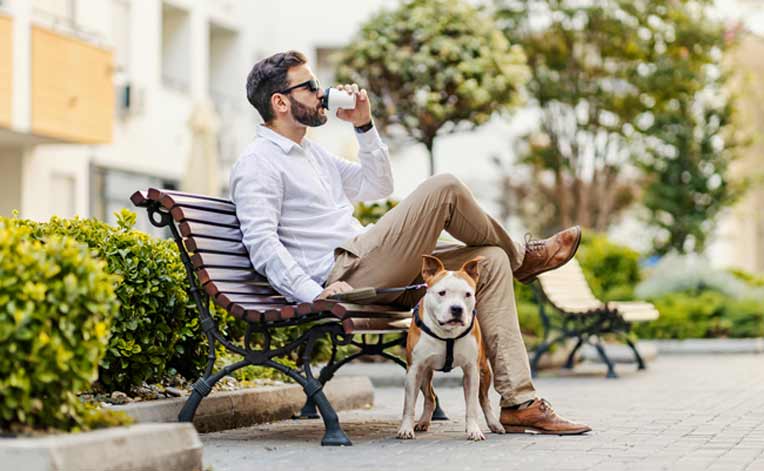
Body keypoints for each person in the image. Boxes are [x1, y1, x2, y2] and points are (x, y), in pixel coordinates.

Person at [230, 50, 591, 435]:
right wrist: (312, 293)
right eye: (312, 86)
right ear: (280, 102)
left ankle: (519, 402)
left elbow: (378, 186)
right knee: (445, 187)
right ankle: (526, 259)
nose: (323, 93)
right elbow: (263, 243)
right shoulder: (259, 163)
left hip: (376, 265)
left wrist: (364, 127)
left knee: (491, 258)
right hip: (346, 275)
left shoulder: (313, 153)